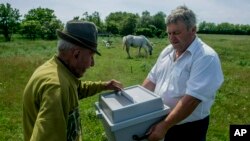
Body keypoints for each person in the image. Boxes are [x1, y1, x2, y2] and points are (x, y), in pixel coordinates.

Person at [23, 20, 123, 141]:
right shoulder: (56, 87)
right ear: (76, 54)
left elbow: (76, 89)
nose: (92, 64)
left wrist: (104, 85)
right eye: (91, 56)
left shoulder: (60, 72)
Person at [142, 5, 224, 141]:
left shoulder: (205, 57)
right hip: (161, 121)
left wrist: (164, 126)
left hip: (188, 129)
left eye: (176, 33)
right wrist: (136, 106)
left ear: (193, 30)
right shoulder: (167, 51)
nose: (171, 38)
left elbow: (191, 100)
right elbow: (151, 80)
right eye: (169, 33)